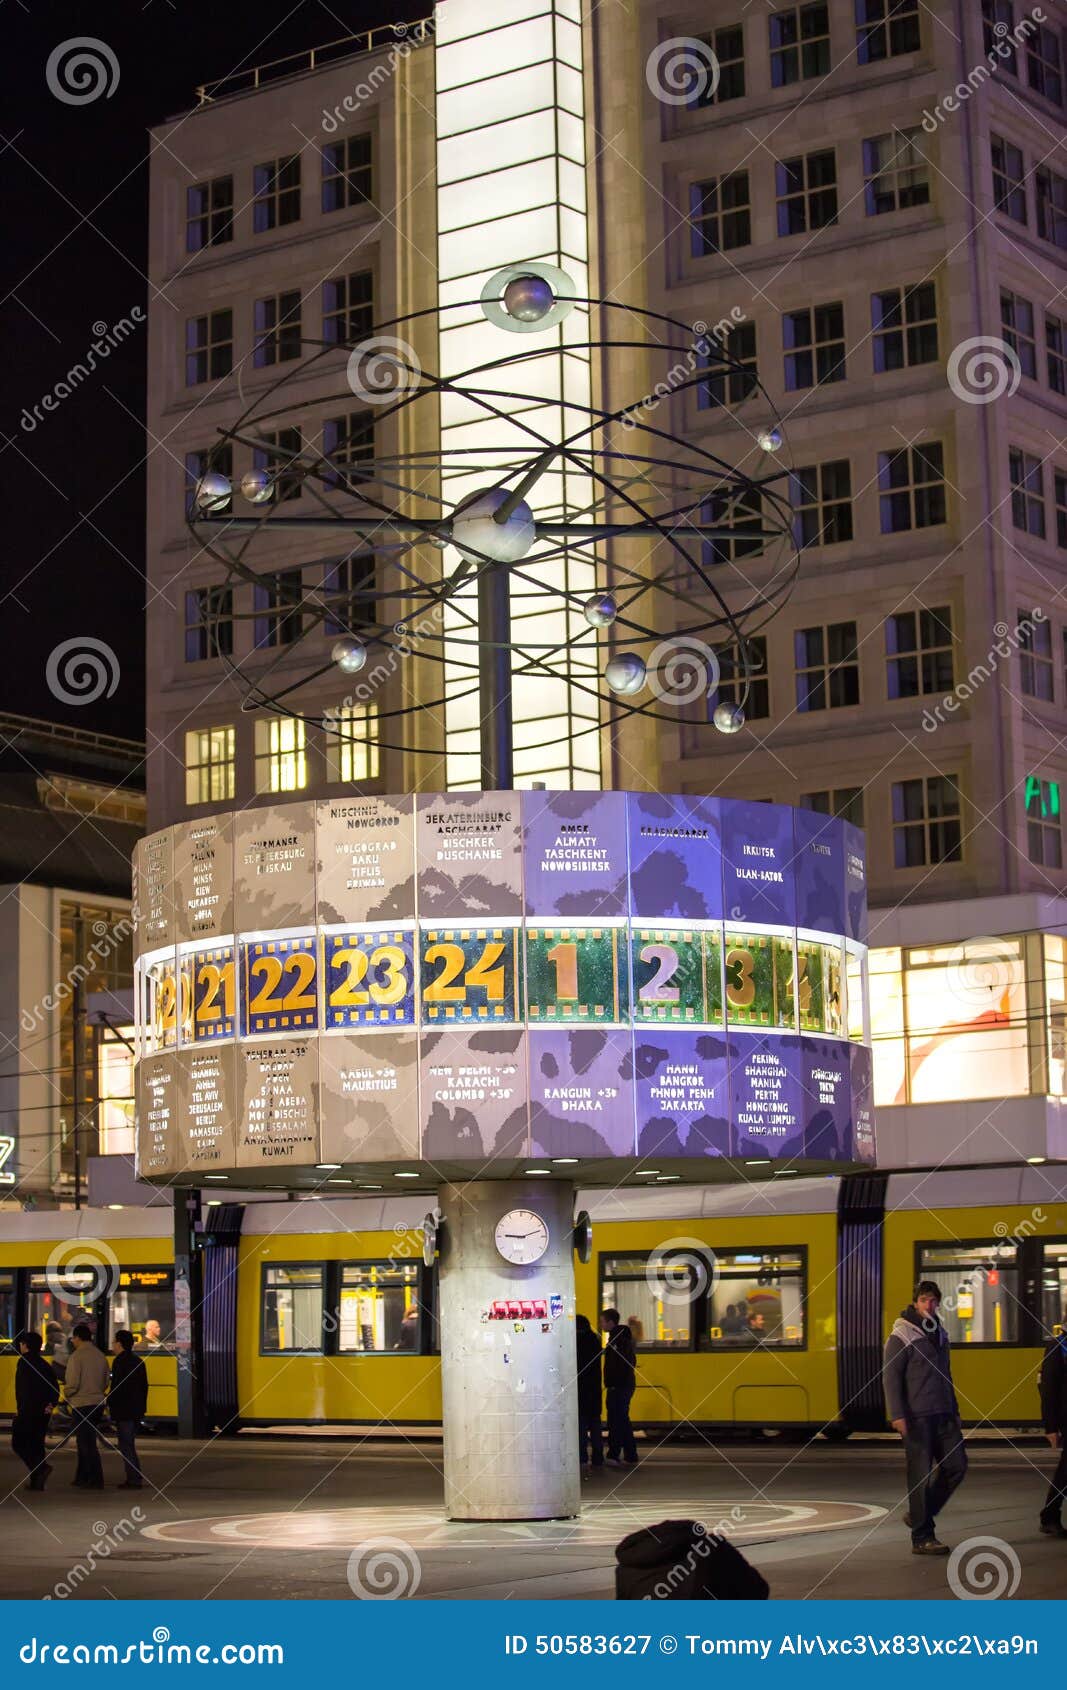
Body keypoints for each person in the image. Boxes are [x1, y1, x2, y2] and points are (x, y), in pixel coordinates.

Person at [883, 1280, 967, 1556]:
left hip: (943, 1413)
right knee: (919, 1475)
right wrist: (897, 1414)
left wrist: (954, 1410)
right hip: (917, 1416)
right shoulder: (902, 1335)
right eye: (923, 1300)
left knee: (957, 1466)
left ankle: (921, 1512)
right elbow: (891, 1377)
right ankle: (922, 1537)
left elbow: (948, 1375)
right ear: (915, 1303)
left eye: (932, 1300)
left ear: (938, 1302)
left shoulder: (940, 1332)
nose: (928, 1305)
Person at [11, 1331, 59, 1492]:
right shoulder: (44, 1364)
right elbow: (54, 1387)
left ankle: (41, 1469)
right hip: (43, 1412)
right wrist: (51, 1404)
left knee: (18, 1443)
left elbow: (23, 1390)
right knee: (37, 1445)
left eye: (21, 1343)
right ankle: (36, 1482)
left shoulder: (24, 1362)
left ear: (25, 1345)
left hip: (28, 1411)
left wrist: (21, 1410)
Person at [64, 1323, 110, 1489]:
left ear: (77, 1338)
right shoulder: (100, 1355)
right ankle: (81, 1477)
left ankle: (95, 1479)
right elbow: (106, 1381)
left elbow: (73, 1383)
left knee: (86, 1443)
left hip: (82, 1403)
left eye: (73, 1339)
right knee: (86, 1440)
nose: (73, 1342)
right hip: (97, 1403)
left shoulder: (76, 1357)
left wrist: (66, 1392)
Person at [108, 1329, 148, 1491]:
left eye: (114, 1342)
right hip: (136, 1410)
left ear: (119, 1343)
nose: (113, 1345)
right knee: (129, 1443)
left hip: (124, 1410)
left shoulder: (119, 1362)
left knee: (126, 1445)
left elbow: (117, 1387)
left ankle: (133, 1478)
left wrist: (110, 1403)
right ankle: (134, 1476)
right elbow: (144, 1388)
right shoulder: (139, 1361)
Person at [1038, 1316, 1067, 1538]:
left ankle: (1049, 1515)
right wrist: (1051, 1427)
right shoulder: (1057, 1347)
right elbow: (1048, 1390)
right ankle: (1049, 1515)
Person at [601, 1307, 637, 1467]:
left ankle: (614, 1454)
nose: (600, 1324)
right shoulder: (620, 1338)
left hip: (619, 1387)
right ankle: (630, 1454)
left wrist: (613, 1384)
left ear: (610, 1322)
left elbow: (619, 1365)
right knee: (622, 1420)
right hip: (623, 1385)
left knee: (616, 1421)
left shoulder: (618, 1341)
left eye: (602, 1321)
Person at [575, 1313, 604, 1475]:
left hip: (581, 1391)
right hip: (594, 1391)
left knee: (580, 1427)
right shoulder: (595, 1340)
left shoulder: (577, 1343)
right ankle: (598, 1459)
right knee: (595, 1426)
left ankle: (583, 1458)